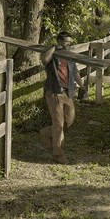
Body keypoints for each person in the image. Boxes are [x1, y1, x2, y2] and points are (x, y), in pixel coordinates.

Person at [39, 32, 86, 164]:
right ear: (59, 41)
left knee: (68, 121)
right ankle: (58, 154)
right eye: (66, 42)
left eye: (70, 42)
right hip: (54, 92)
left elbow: (75, 72)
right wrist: (54, 48)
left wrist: (82, 87)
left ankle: (45, 133)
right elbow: (44, 59)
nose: (69, 44)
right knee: (58, 125)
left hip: (68, 93)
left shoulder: (69, 55)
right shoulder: (53, 55)